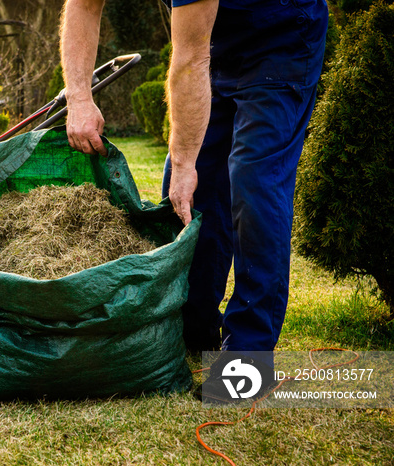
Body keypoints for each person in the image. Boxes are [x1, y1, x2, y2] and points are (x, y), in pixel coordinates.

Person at [60, 0, 329, 362]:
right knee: (187, 188)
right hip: (212, 36)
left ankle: (248, 356)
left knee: (254, 182)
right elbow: (83, 5)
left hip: (281, 35)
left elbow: (190, 60)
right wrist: (79, 97)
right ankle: (193, 330)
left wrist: (187, 163)